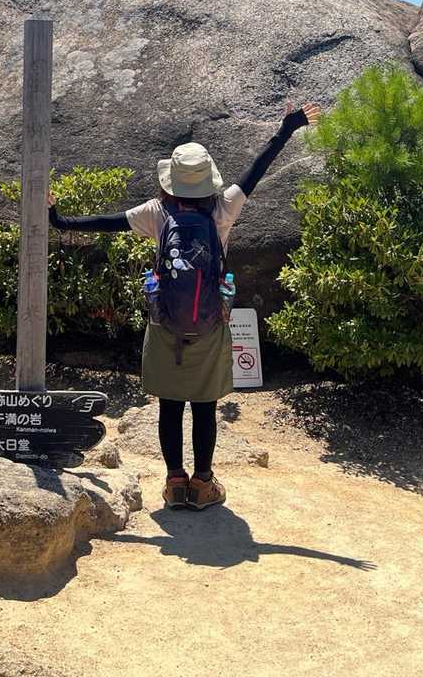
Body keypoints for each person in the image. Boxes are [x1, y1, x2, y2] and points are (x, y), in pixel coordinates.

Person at [48, 101, 321, 510]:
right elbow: (256, 170)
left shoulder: (157, 212)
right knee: (205, 407)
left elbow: (107, 222)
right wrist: (287, 128)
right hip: (210, 323)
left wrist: (60, 220)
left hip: (165, 324)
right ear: (207, 179)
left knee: (171, 406)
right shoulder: (223, 208)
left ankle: (175, 483)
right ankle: (203, 484)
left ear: (171, 180)